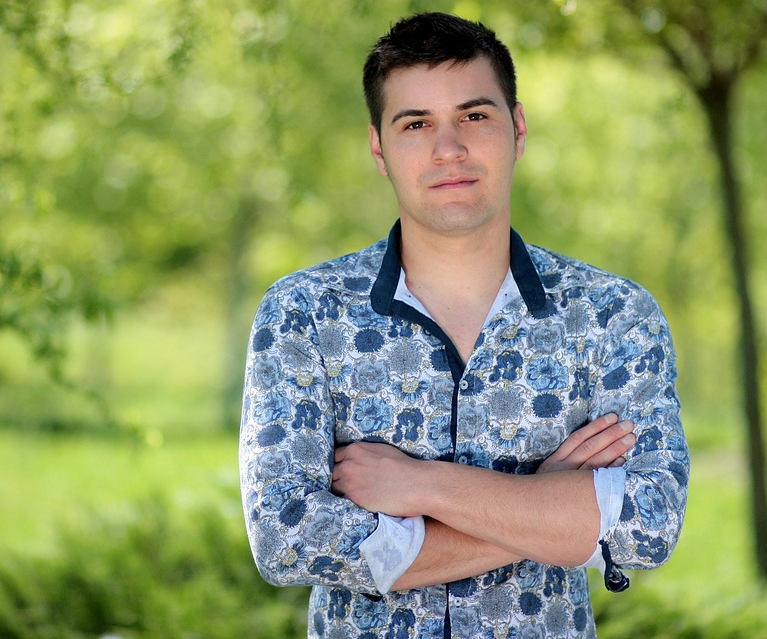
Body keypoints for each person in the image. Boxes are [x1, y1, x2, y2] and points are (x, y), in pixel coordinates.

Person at [239, 12, 688, 639]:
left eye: (474, 116)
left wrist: (425, 486)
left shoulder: (614, 315)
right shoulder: (304, 313)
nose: (448, 148)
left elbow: (648, 525)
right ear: (379, 149)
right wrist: (545, 503)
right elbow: (286, 538)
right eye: (415, 124)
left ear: (518, 128)